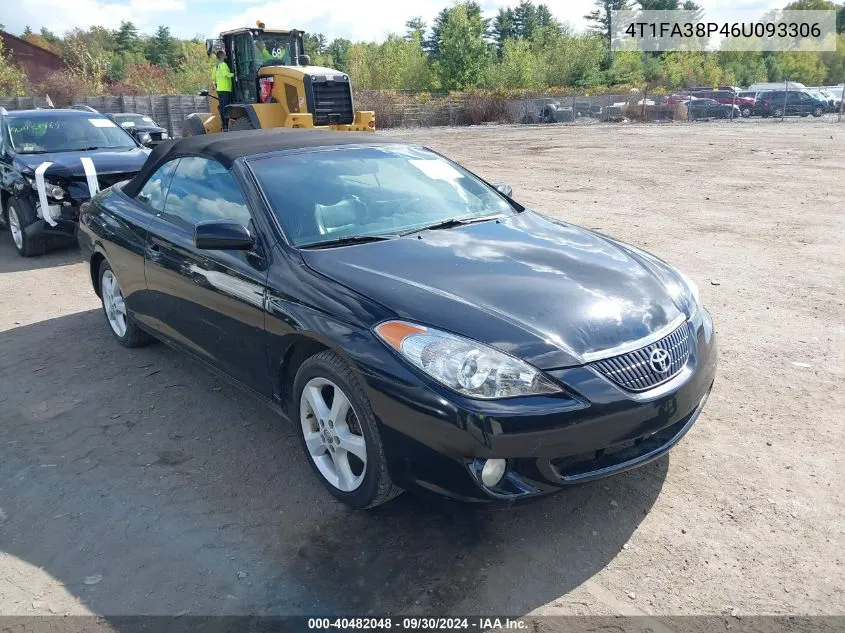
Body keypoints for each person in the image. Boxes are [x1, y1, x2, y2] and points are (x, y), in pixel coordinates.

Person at [211, 50, 234, 131]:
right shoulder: (223, 65)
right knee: (226, 107)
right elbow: (226, 74)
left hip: (219, 89)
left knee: (222, 107)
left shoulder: (215, 66)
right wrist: (234, 74)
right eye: (224, 55)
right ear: (222, 56)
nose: (226, 56)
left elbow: (213, 77)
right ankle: (226, 125)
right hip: (226, 89)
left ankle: (224, 125)